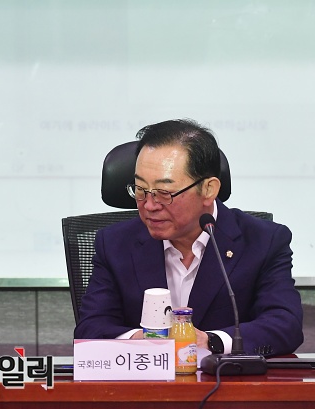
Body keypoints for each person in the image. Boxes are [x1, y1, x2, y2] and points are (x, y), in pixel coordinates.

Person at [74, 119, 303, 356]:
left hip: (225, 377)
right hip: (142, 376)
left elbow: (285, 325)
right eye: (140, 189)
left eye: (164, 192)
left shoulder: (263, 241)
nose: (149, 205)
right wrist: (142, 340)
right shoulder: (114, 244)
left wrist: (211, 341)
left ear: (208, 189)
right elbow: (91, 327)